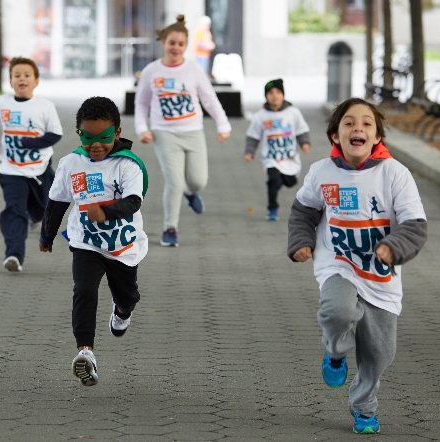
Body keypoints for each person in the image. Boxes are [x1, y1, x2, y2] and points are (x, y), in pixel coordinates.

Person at [287, 98, 428, 434]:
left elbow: (415, 224)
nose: (358, 128)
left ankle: (364, 408)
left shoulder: (395, 173)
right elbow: (303, 211)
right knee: (337, 311)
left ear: (377, 136)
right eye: (349, 123)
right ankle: (335, 352)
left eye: (366, 123)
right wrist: (301, 242)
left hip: (381, 276)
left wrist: (393, 247)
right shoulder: (322, 172)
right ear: (335, 135)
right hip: (338, 264)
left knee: (379, 354)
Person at [39, 97, 149, 387]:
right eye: (88, 138)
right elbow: (56, 202)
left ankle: (122, 312)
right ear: (79, 133)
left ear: (117, 132)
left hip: (123, 247)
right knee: (84, 290)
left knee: (127, 296)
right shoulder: (70, 164)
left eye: (104, 137)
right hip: (85, 243)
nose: (96, 145)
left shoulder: (127, 165)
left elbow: (133, 202)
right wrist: (47, 235)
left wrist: (106, 211)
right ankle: (85, 352)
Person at [134, 14, 231, 247]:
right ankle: (170, 228)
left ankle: (191, 192)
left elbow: (209, 99)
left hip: (193, 131)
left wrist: (223, 124)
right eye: (171, 43)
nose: (175, 48)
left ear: (186, 46)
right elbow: (141, 104)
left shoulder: (194, 70)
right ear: (163, 43)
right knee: (174, 182)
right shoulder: (151, 71)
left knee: (198, 181)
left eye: (180, 44)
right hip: (164, 133)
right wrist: (142, 128)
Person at [0, 57, 63, 272]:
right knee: (15, 210)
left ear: (36, 81)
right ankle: (13, 255)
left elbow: (55, 134)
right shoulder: (3, 103)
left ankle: (33, 217)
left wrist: (30, 143)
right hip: (11, 169)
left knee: (45, 208)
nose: (22, 79)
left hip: (40, 168)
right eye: (17, 75)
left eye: (27, 75)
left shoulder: (45, 106)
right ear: (10, 82)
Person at [244, 79, 311, 221]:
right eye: (270, 93)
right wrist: (249, 152)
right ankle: (272, 208)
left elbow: (301, 130)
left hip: (289, 157)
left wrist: (304, 143)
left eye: (278, 92)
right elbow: (253, 136)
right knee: (273, 181)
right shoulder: (260, 116)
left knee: (290, 181)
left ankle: (280, 182)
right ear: (266, 96)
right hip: (271, 158)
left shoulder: (293, 112)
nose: (274, 96)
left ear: (283, 94)